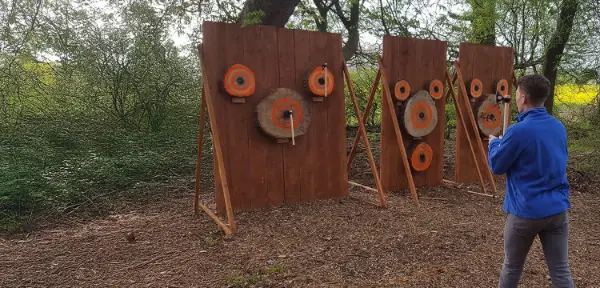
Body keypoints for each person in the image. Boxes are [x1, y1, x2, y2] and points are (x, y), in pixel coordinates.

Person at [488, 74, 573, 288]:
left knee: (512, 267)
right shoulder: (558, 127)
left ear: (523, 98)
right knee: (561, 270)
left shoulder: (518, 131)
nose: (516, 98)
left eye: (517, 94)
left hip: (526, 213)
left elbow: (497, 167)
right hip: (557, 211)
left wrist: (494, 144)